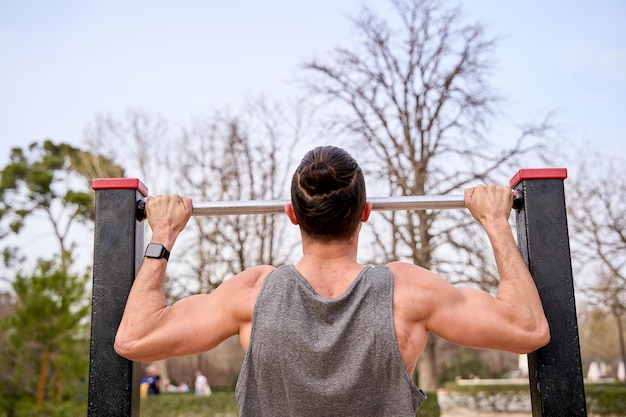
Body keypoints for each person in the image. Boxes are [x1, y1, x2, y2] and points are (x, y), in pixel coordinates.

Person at [115, 146, 550, 415]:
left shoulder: (252, 294)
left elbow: (134, 338)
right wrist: (496, 223)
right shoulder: (408, 292)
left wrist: (163, 235)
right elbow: (528, 328)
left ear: (291, 214)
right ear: (365, 212)